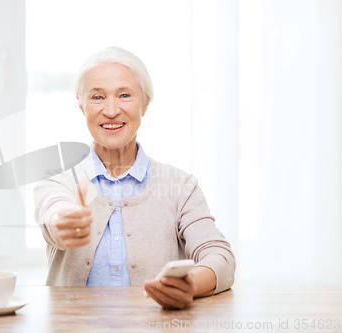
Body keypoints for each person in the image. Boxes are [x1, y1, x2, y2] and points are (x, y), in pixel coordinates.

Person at [33, 46, 235, 310]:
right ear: (82, 106)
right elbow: (52, 212)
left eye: (125, 95)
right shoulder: (59, 179)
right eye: (97, 97)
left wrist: (190, 285)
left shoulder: (181, 186)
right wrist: (64, 222)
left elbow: (219, 257)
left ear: (145, 104)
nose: (111, 110)